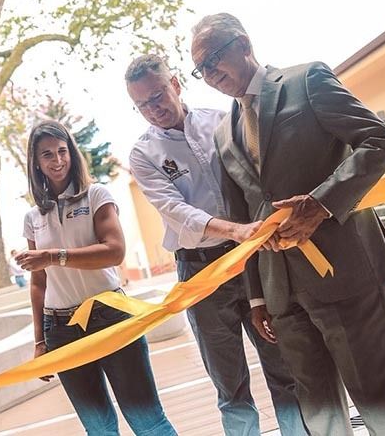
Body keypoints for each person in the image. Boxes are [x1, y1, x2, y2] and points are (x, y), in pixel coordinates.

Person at [191, 13, 385, 436]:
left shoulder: (306, 80)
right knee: (319, 412)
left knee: (378, 399)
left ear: (243, 44)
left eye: (213, 60)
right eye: (200, 69)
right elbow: (246, 220)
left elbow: (381, 141)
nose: (208, 75)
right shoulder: (224, 134)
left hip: (346, 271)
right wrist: (257, 299)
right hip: (282, 294)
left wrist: (320, 204)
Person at [126, 54, 307, 435]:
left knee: (284, 369)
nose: (153, 109)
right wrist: (234, 231)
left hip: (255, 260)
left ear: (175, 84)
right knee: (231, 386)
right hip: (200, 272)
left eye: (157, 95)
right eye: (142, 104)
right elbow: (175, 209)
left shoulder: (224, 121)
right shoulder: (143, 155)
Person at [15, 121, 176, 436]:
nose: (57, 160)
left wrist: (53, 256)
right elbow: (38, 283)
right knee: (98, 428)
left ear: (73, 154)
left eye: (63, 152)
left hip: (111, 317)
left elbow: (114, 252)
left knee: (147, 420)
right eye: (47, 155)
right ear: (36, 163)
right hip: (60, 329)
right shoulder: (33, 217)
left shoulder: (96, 195)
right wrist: (40, 341)